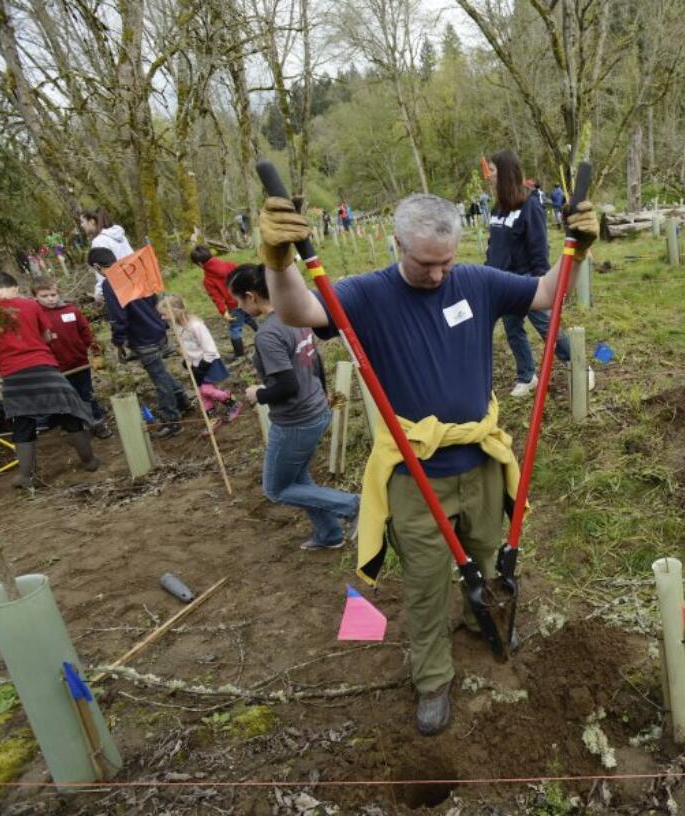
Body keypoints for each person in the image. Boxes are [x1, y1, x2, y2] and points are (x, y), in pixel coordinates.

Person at [254, 190, 598, 736]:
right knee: (424, 580)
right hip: (417, 476)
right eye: (424, 263)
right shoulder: (367, 294)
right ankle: (433, 676)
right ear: (397, 245)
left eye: (446, 262)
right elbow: (300, 310)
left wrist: (577, 248)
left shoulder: (477, 282)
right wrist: (277, 262)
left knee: (488, 555)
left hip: (482, 461)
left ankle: (483, 615)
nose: (438, 275)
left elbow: (544, 293)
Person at [226, 264, 359, 553]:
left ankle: (352, 505)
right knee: (298, 477)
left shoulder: (268, 335)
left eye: (238, 299)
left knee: (276, 489)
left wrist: (257, 393)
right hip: (314, 410)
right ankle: (329, 533)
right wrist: (322, 394)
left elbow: (286, 386)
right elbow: (316, 362)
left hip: (295, 421)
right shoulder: (297, 315)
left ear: (251, 296)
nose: (237, 306)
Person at [0, 273, 99, 488]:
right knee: (67, 412)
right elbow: (47, 336)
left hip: (12, 373)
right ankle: (89, 460)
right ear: (16, 288)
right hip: (44, 366)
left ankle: (26, 477)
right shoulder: (31, 305)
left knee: (21, 420)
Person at [485, 150, 592, 398]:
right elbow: (495, 245)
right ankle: (527, 375)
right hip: (503, 282)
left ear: (506, 173)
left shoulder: (530, 206)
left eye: (492, 170)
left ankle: (580, 367)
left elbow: (538, 247)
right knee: (513, 331)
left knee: (548, 329)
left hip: (528, 282)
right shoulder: (497, 208)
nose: (488, 176)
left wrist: (542, 283)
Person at [90, 247, 189, 439]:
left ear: (97, 266)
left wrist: (118, 341)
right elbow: (154, 297)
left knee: (159, 378)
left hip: (143, 337)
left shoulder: (110, 283)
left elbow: (118, 316)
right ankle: (182, 400)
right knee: (161, 372)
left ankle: (172, 420)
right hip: (158, 329)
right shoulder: (134, 270)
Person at [30, 278, 111, 438]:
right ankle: (74, 427)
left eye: (53, 294)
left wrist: (96, 352)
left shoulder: (71, 311)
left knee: (87, 394)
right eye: (44, 296)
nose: (50, 299)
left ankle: (97, 423)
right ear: (35, 298)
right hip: (56, 368)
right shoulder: (35, 317)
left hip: (79, 362)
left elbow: (86, 333)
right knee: (66, 398)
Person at [157, 295, 243, 428]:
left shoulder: (196, 325)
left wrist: (203, 366)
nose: (162, 318)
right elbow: (187, 346)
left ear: (175, 312)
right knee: (200, 392)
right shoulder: (177, 327)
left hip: (208, 362)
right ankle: (213, 418)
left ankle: (232, 402)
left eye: (164, 314)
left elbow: (210, 348)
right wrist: (187, 360)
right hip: (195, 364)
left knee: (206, 390)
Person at [190, 245, 259, 359]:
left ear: (200, 264)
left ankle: (239, 354)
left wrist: (223, 311)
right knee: (249, 318)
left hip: (233, 306)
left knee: (235, 329)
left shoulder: (208, 279)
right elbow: (243, 277)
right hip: (245, 299)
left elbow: (216, 297)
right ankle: (264, 334)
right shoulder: (229, 265)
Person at [80, 208, 135, 301]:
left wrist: (99, 294)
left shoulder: (99, 241)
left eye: (82, 222)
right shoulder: (119, 235)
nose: (82, 225)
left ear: (92, 221)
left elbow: (104, 271)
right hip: (135, 282)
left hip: (120, 291)